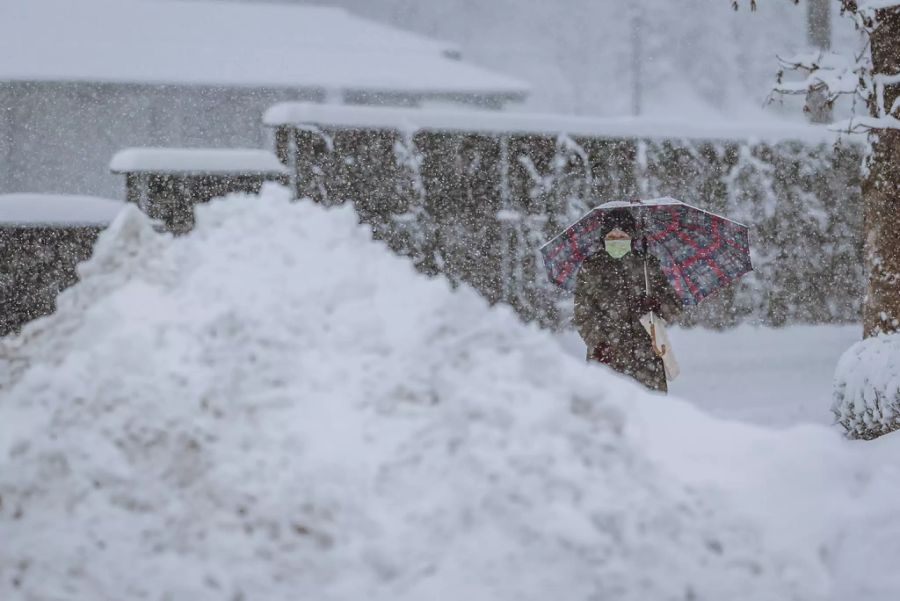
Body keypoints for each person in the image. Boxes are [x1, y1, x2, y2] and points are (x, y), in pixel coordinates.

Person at [573, 208, 682, 393]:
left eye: (622, 235)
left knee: (651, 417)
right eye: (611, 237)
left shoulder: (648, 266)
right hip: (606, 360)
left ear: (632, 237)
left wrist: (656, 304)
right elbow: (583, 314)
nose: (617, 240)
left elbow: (674, 307)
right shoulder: (591, 268)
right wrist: (599, 344)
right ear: (603, 238)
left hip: (647, 362)